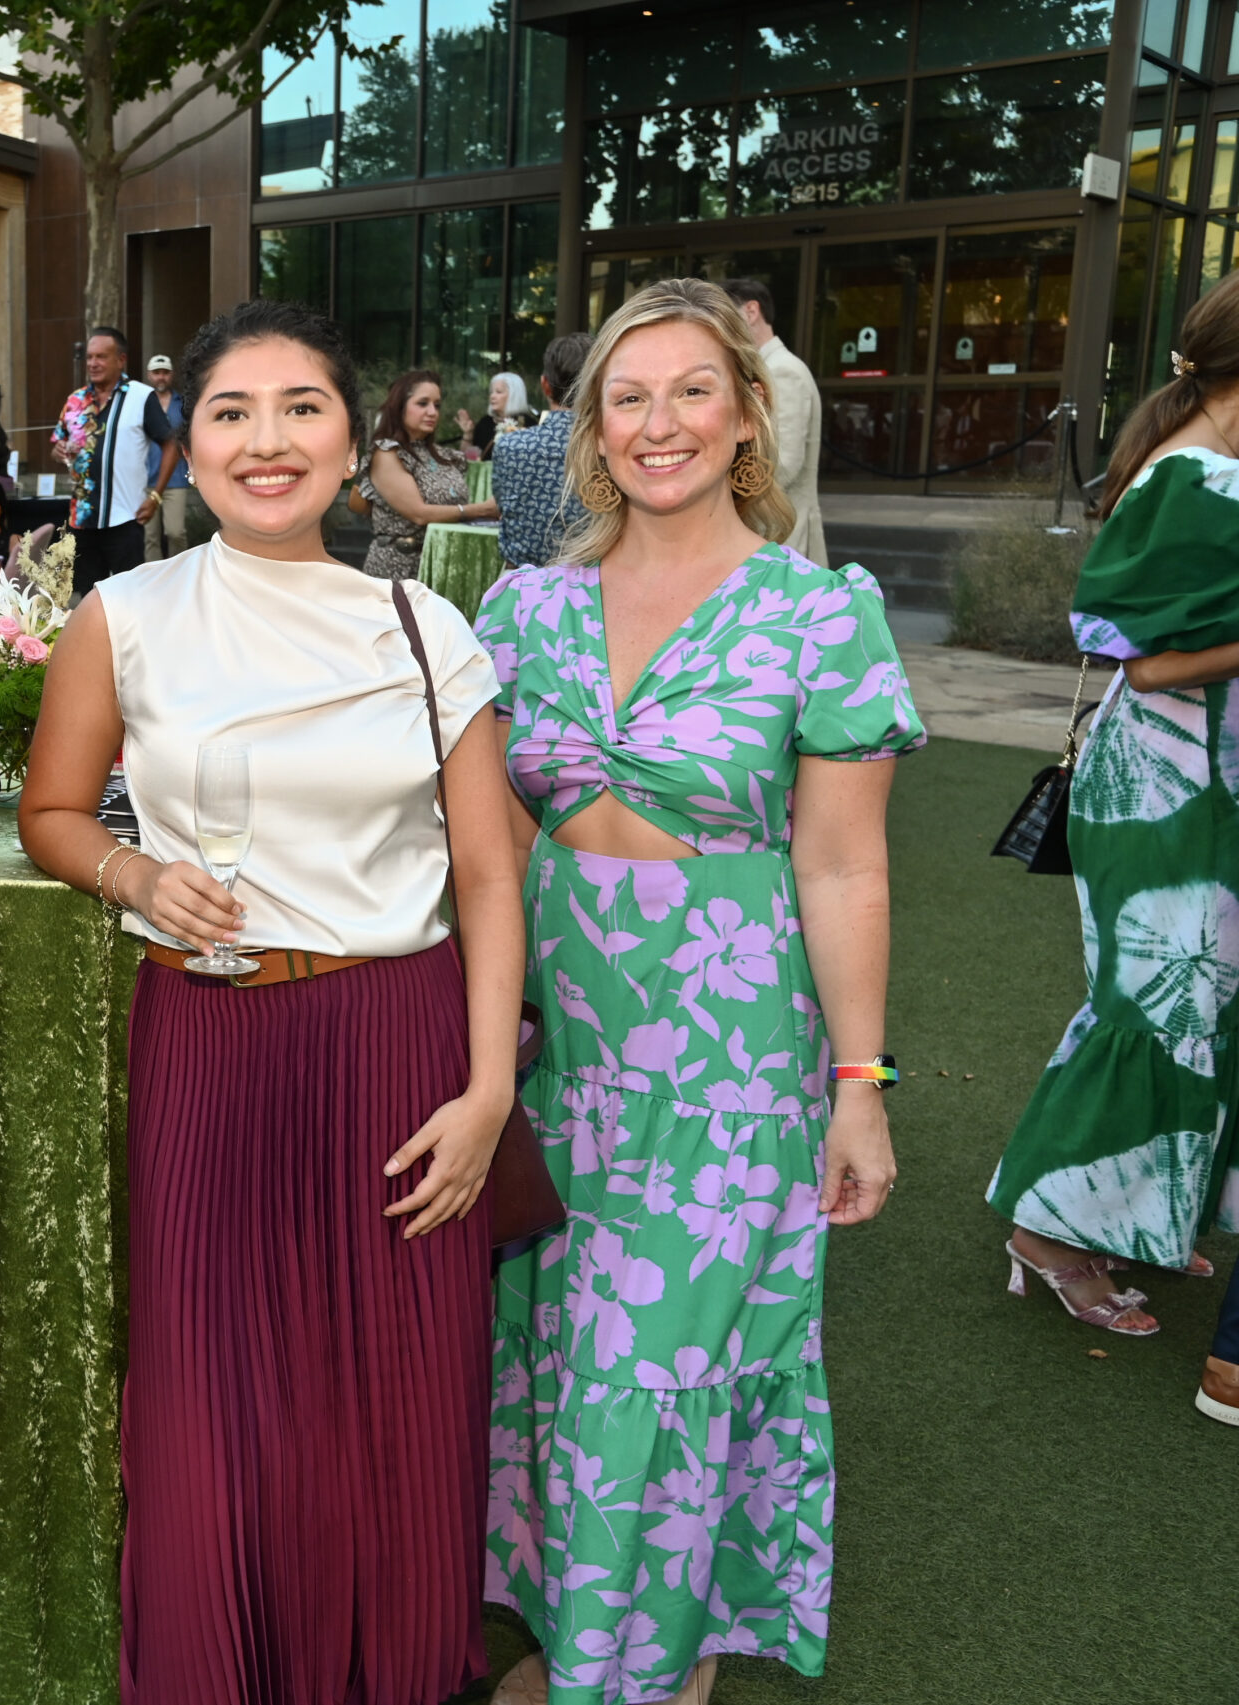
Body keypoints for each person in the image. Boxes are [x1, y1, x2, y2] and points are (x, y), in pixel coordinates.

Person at [20, 298, 524, 1704]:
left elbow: (490, 872)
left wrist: (488, 1090)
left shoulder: (425, 627)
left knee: (397, 1404)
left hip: (398, 1049)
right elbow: (52, 814)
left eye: (303, 407)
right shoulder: (125, 616)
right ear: (184, 449)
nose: (267, 439)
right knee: (209, 1415)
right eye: (231, 412)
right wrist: (132, 872)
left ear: (354, 443)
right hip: (209, 1043)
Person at [474, 277, 919, 1705]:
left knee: (655, 1370)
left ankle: (621, 1672)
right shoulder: (524, 608)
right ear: (593, 429)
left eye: (690, 392)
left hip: (730, 1064)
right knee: (567, 1356)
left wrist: (861, 1088)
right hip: (562, 1053)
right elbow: (492, 846)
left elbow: (843, 869)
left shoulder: (818, 615)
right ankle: (620, 1647)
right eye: (628, 396)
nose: (658, 422)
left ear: (744, 421)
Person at [986, 276, 1239, 1390]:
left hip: (1199, 782)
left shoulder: (1202, 461)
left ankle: (1133, 1211)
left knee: (1193, 1006)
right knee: (1153, 1009)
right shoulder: (1193, 473)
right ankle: (1046, 1230)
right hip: (1164, 788)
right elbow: (1150, 659)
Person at [53, 326, 171, 595]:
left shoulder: (141, 396)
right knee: (87, 596)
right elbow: (58, 445)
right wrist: (58, 451)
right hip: (82, 518)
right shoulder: (75, 400)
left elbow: (171, 443)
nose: (93, 363)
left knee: (130, 596)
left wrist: (155, 496)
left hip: (125, 517)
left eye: (101, 357)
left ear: (121, 360)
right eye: (90, 357)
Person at [354, 370, 495, 580]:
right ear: (399, 407)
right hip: (398, 568)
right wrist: (482, 510)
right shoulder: (387, 453)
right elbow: (418, 514)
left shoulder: (441, 455)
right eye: (422, 403)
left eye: (437, 405)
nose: (432, 412)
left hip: (441, 564)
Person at [723, 278, 824, 565]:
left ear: (751, 311)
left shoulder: (782, 371)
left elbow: (785, 464)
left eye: (727, 315)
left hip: (781, 536)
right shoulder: (770, 368)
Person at [491, 332, 592, 570]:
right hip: (593, 584)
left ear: (545, 385)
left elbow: (501, 507)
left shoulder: (509, 446)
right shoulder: (610, 448)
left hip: (520, 583)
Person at [139, 351, 191, 560]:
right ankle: (154, 576)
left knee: (175, 532)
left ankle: (181, 571)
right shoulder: (141, 403)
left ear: (172, 375)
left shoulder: (183, 403)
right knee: (149, 536)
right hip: (145, 479)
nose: (161, 377)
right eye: (156, 372)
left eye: (165, 372)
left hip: (176, 478)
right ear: (149, 375)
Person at [456, 372, 535, 457]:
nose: (492, 396)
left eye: (498, 392)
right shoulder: (485, 422)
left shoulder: (528, 425)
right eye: (491, 392)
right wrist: (468, 434)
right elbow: (468, 459)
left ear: (514, 395)